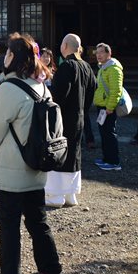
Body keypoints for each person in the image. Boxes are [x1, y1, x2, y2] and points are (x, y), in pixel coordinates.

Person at [0, 33, 63, 274]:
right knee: (38, 222)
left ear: (13, 56)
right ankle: (51, 273)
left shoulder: (10, 89)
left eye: (7, 52)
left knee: (10, 229)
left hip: (10, 172)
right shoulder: (42, 87)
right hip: (37, 168)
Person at [45, 34, 96, 207]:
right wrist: (83, 110)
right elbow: (92, 91)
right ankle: (70, 194)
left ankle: (55, 195)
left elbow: (58, 95)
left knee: (58, 151)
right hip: (80, 116)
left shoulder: (67, 66)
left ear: (65, 45)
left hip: (63, 117)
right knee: (74, 152)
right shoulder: (87, 67)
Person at [93, 43, 123, 171]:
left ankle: (114, 162)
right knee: (104, 134)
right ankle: (106, 159)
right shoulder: (103, 68)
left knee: (109, 134)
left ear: (108, 54)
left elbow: (116, 90)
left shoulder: (113, 69)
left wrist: (110, 107)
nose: (98, 55)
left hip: (108, 108)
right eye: (97, 52)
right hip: (102, 106)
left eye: (101, 52)